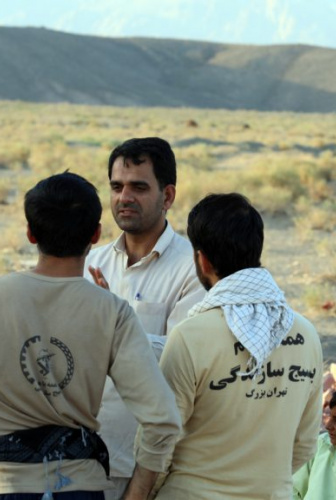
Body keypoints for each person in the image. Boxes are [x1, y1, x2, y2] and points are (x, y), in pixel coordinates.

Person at [0, 173, 181, 500]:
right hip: (78, 489)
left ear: (31, 234)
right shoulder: (112, 312)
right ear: (96, 234)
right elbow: (163, 421)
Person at [153, 193, 323, 499]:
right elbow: (306, 444)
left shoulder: (191, 336)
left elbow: (159, 440)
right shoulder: (306, 333)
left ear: (201, 259)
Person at [84, 137, 204, 498]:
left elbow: (182, 361)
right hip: (77, 455)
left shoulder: (193, 269)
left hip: (141, 465)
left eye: (139, 187)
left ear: (167, 197)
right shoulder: (91, 262)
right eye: (117, 187)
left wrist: (115, 320)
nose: (124, 197)